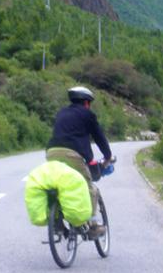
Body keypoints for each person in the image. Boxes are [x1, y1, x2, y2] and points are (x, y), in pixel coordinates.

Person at [46, 86, 113, 238]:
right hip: (72, 155)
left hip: (51, 152)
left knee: (58, 185)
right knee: (90, 188)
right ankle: (93, 226)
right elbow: (99, 137)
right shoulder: (87, 114)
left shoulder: (61, 113)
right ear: (87, 102)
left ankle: (57, 222)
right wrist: (107, 155)